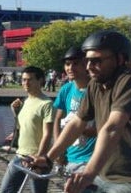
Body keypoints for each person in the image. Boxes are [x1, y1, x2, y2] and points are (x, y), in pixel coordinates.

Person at [31, 31, 131, 192]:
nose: (89, 66)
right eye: (87, 60)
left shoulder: (130, 80)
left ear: (120, 59)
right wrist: (48, 158)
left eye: (97, 60)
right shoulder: (95, 85)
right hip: (105, 175)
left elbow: (112, 128)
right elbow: (76, 123)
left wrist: (88, 173)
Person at [0, 66, 53, 193]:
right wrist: (15, 112)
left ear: (40, 81)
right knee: (6, 190)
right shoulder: (25, 101)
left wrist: (40, 157)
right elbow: (22, 127)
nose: (26, 83)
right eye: (23, 80)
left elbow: (47, 133)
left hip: (37, 157)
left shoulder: (46, 103)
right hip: (20, 155)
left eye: (30, 79)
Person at [52, 47, 96, 179]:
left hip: (92, 158)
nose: (70, 68)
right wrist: (59, 150)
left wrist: (86, 131)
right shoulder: (66, 89)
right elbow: (58, 121)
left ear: (86, 64)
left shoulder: (97, 89)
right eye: (67, 64)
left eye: (75, 63)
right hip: (71, 156)